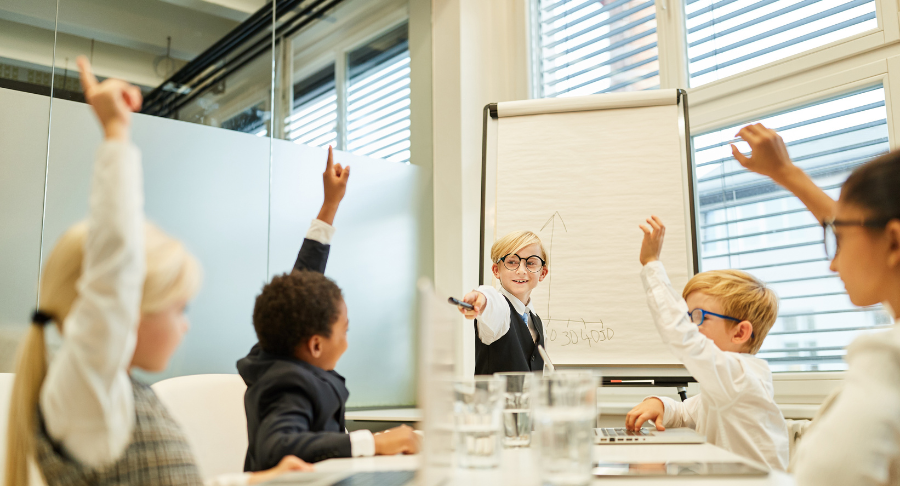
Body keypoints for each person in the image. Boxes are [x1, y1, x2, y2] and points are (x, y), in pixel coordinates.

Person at [4, 57, 311, 486]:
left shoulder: (122, 394)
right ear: (129, 306)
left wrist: (259, 480)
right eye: (179, 308)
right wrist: (116, 133)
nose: (186, 325)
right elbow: (114, 270)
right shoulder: (87, 396)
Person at [732, 124, 900, 485]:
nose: (833, 263)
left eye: (840, 239)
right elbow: (862, 225)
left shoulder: (888, 368)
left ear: (893, 242)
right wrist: (785, 173)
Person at [238, 154, 419, 469]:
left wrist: (330, 205)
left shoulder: (277, 348)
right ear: (316, 344)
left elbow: (301, 285)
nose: (347, 341)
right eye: (343, 331)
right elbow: (277, 448)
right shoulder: (288, 384)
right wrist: (373, 442)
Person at [624, 215, 789, 471]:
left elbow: (682, 336)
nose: (690, 325)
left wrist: (651, 263)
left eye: (698, 317)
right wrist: (659, 403)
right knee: (647, 460)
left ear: (740, 333)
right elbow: (685, 413)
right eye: (687, 316)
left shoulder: (740, 377)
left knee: (647, 464)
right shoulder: (725, 384)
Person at [457, 231, 550, 374]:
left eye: (531, 263)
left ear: (542, 273)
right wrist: (481, 298)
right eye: (512, 262)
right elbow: (492, 301)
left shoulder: (537, 323)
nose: (521, 271)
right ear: (496, 270)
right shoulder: (501, 310)